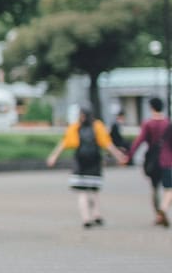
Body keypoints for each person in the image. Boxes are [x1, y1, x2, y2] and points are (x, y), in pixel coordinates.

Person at [46, 106, 127, 226]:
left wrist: (53, 156)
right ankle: (96, 214)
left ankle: (86, 218)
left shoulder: (75, 127)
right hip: (94, 161)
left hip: (80, 162)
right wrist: (119, 155)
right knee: (94, 190)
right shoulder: (97, 126)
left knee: (82, 192)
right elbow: (107, 144)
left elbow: (65, 143)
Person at [127, 96, 172, 227]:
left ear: (151, 108)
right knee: (169, 189)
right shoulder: (168, 123)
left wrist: (129, 156)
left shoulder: (148, 124)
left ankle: (158, 214)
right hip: (166, 160)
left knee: (154, 188)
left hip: (152, 161)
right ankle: (163, 209)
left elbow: (139, 141)